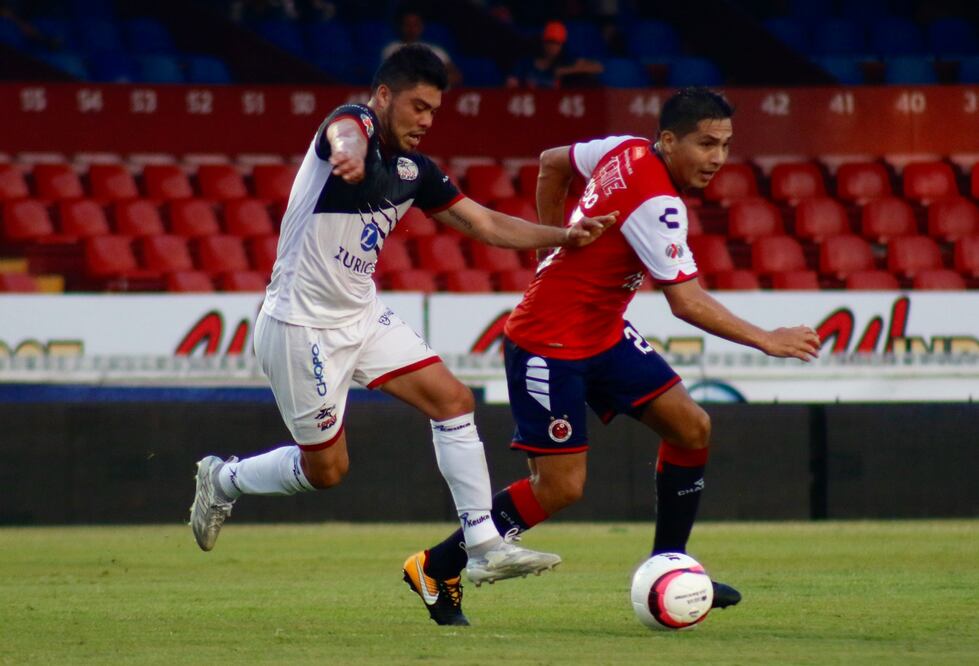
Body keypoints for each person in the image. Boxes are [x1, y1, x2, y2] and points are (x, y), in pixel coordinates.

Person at [189, 44, 616, 622]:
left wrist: (563, 236)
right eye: (417, 106)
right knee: (328, 473)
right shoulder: (353, 128)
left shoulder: (416, 173)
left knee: (453, 399)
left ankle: (485, 544)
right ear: (384, 95)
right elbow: (343, 132)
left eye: (434, 111)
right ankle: (226, 478)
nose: (425, 120)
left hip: (361, 317)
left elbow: (486, 224)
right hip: (299, 324)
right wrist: (348, 156)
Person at [407, 87, 822, 625]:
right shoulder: (658, 204)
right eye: (705, 144)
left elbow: (551, 164)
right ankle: (437, 566)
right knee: (560, 487)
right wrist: (768, 339)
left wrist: (548, 251)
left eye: (725, 144)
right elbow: (686, 302)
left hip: (601, 333)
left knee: (690, 427)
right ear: (669, 141)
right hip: (546, 343)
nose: (717, 158)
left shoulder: (624, 148)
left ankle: (670, 565)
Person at [506, 20, 603, 89]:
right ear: (543, 42)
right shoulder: (525, 63)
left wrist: (565, 70)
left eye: (557, 43)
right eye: (550, 42)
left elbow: (598, 67)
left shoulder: (566, 61)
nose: (552, 47)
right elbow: (511, 83)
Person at [380, 10, 463, 86]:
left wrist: (432, 83)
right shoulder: (391, 49)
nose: (411, 29)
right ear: (400, 26)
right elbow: (386, 77)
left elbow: (455, 76)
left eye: (415, 25)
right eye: (407, 24)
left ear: (421, 26)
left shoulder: (435, 51)